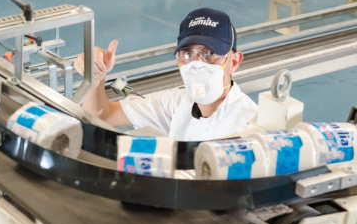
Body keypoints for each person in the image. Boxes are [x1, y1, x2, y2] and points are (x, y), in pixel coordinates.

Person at [74, 8, 258, 141]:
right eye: (187, 54)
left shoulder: (251, 126)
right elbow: (102, 116)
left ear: (233, 62)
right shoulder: (176, 105)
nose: (196, 65)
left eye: (209, 54)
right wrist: (96, 78)